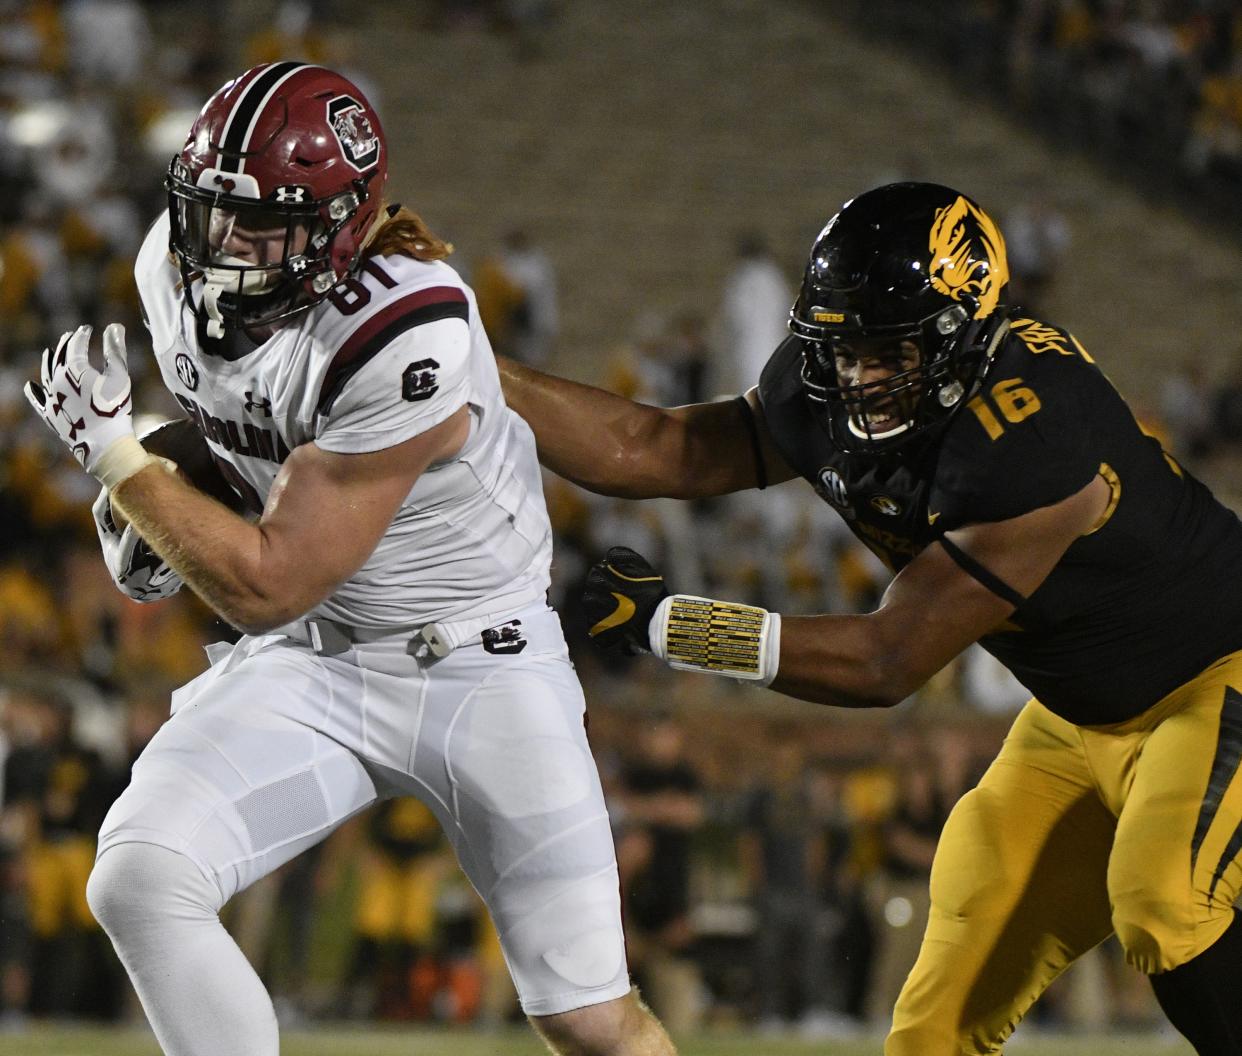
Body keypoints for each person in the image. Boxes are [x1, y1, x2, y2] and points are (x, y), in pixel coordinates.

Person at [496, 181, 1242, 1055]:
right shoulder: (835, 387)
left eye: (889, 351)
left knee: (1165, 899)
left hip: (1216, 676)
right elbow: (658, 449)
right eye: (843, 348)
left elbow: (888, 660)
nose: (858, 376)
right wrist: (476, 368)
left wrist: (679, 627)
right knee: (932, 1028)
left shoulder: (1036, 430)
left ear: (962, 333)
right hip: (1083, 719)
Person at [23, 62, 674, 1056]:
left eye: (264, 222)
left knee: (588, 1020)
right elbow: (249, 436)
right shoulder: (172, 266)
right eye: (213, 210)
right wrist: (172, 476)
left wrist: (121, 464)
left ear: (337, 226)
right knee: (141, 877)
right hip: (314, 661)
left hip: (478, 668)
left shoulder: (406, 325)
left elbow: (266, 579)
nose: (225, 243)